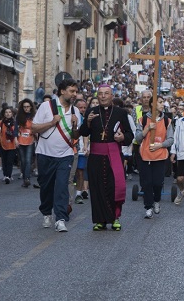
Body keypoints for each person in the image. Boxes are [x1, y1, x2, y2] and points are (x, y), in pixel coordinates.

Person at [79, 84, 133, 230]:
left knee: (113, 186)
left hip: (113, 155)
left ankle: (115, 218)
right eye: (100, 93)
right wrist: (88, 122)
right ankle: (100, 220)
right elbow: (83, 132)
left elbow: (130, 135)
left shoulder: (120, 113)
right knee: (96, 188)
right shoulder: (91, 111)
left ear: (111, 96)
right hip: (96, 156)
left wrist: (123, 137)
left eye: (106, 93)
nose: (103, 96)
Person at [32, 78, 81, 232]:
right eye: (72, 91)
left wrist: (74, 126)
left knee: (61, 187)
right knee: (46, 187)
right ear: (62, 91)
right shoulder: (47, 106)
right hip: (45, 154)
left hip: (65, 154)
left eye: (76, 91)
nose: (74, 94)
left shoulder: (76, 111)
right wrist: (52, 123)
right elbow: (34, 128)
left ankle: (60, 218)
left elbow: (75, 135)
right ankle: (46, 213)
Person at [136, 98, 174, 218]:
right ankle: (148, 207)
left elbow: (171, 139)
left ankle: (156, 200)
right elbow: (137, 138)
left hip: (160, 156)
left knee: (157, 183)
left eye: (163, 102)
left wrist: (161, 145)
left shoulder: (167, 121)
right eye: (160, 102)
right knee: (147, 183)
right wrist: (147, 129)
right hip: (145, 156)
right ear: (153, 104)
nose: (163, 104)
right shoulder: (143, 120)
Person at [0, 107, 18, 184]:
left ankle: (8, 175)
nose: (8, 114)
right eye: (6, 112)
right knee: (4, 160)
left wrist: (17, 141)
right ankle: (5, 174)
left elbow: (16, 133)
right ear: (4, 114)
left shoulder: (15, 123)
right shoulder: (1, 122)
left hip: (12, 145)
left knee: (10, 161)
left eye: (9, 112)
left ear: (12, 114)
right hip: (3, 144)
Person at [17, 99, 36, 188]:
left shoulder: (34, 116)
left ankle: (27, 178)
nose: (26, 108)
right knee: (23, 160)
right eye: (24, 107)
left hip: (30, 140)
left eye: (28, 107)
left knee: (28, 160)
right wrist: (15, 139)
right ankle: (25, 177)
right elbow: (15, 129)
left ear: (31, 107)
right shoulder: (19, 116)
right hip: (21, 140)